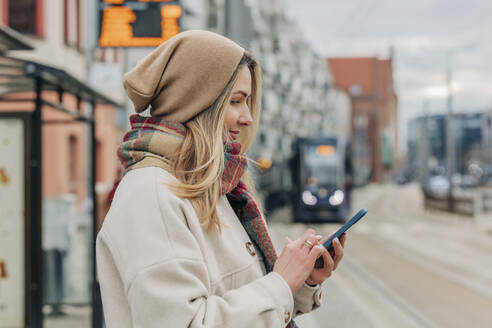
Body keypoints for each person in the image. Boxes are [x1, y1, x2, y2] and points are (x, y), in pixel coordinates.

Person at [96, 30, 346, 328]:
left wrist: (299, 282)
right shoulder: (151, 193)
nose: (247, 117)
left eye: (248, 102)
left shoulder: (213, 185)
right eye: (236, 101)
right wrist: (280, 282)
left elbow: (234, 298)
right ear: (197, 102)